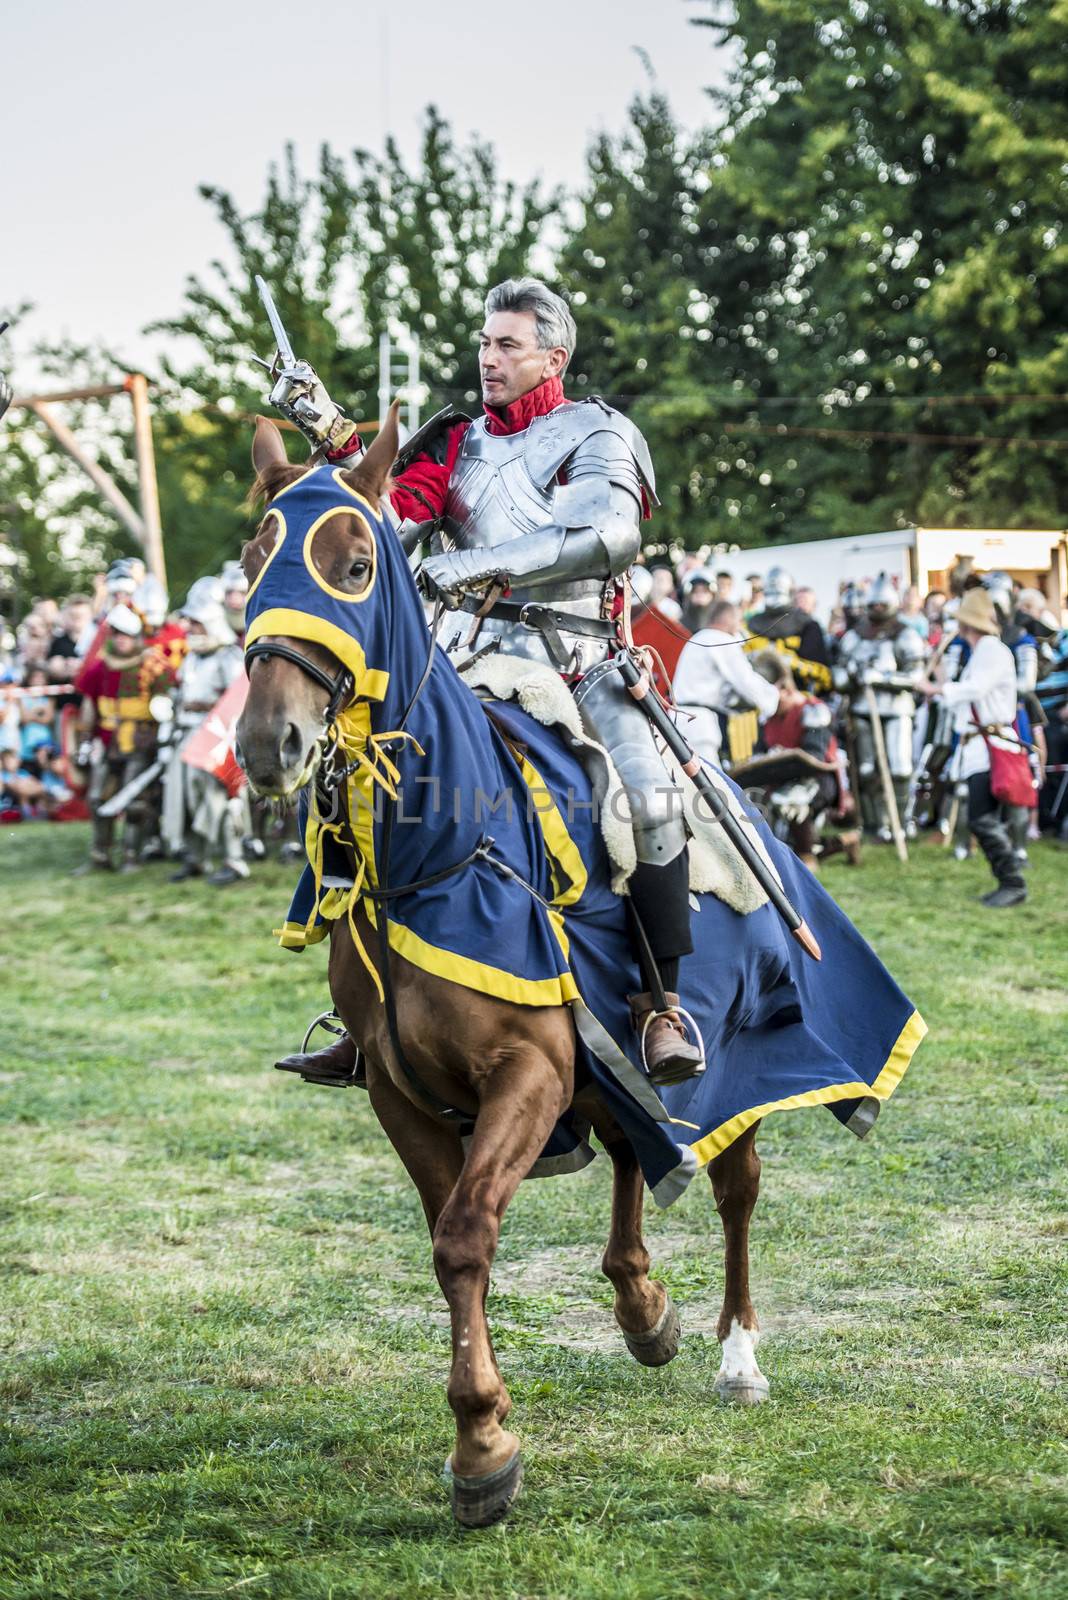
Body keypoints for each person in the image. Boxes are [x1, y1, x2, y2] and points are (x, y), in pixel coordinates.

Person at [277, 276, 703, 1083]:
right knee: (356, 784)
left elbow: (606, 533)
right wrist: (331, 431)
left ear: (554, 355)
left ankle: (661, 1006)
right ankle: (365, 1002)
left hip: (578, 665)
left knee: (645, 797)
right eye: (484, 342)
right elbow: (393, 519)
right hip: (471, 661)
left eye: (508, 344)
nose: (489, 358)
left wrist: (477, 562)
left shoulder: (597, 431)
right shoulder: (457, 441)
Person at [918, 587, 1026, 907]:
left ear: (967, 624)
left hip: (992, 745)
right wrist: (939, 679)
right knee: (983, 818)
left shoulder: (992, 649)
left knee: (983, 819)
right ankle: (1009, 879)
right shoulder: (981, 651)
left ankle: (1013, 881)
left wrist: (935, 689)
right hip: (980, 746)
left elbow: (973, 689)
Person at [164, 589, 248, 886]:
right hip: (187, 734)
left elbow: (239, 700)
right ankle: (195, 859)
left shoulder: (229, 657)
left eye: (197, 623)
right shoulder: (191, 658)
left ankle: (233, 860)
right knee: (187, 800)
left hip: (218, 738)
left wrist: (207, 707)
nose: (191, 629)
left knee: (221, 800)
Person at [835, 573, 925, 838]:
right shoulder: (855, 636)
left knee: (900, 768)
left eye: (881, 606)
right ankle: (876, 825)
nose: (876, 610)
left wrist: (882, 678)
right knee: (866, 770)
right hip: (863, 709)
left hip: (897, 709)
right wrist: (850, 673)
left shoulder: (905, 634)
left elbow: (916, 676)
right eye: (872, 605)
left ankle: (901, 821)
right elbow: (838, 675)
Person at [672, 599, 780, 766]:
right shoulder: (720, 640)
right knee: (708, 785)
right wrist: (773, 698)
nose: (739, 626)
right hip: (699, 725)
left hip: (679, 721)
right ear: (729, 619)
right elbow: (745, 681)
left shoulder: (698, 638)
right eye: (738, 620)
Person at [743, 566, 832, 695]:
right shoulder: (752, 623)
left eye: (778, 592)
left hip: (797, 694)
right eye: (770, 592)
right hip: (758, 693)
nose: (774, 596)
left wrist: (791, 662)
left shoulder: (807, 624)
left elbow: (824, 675)